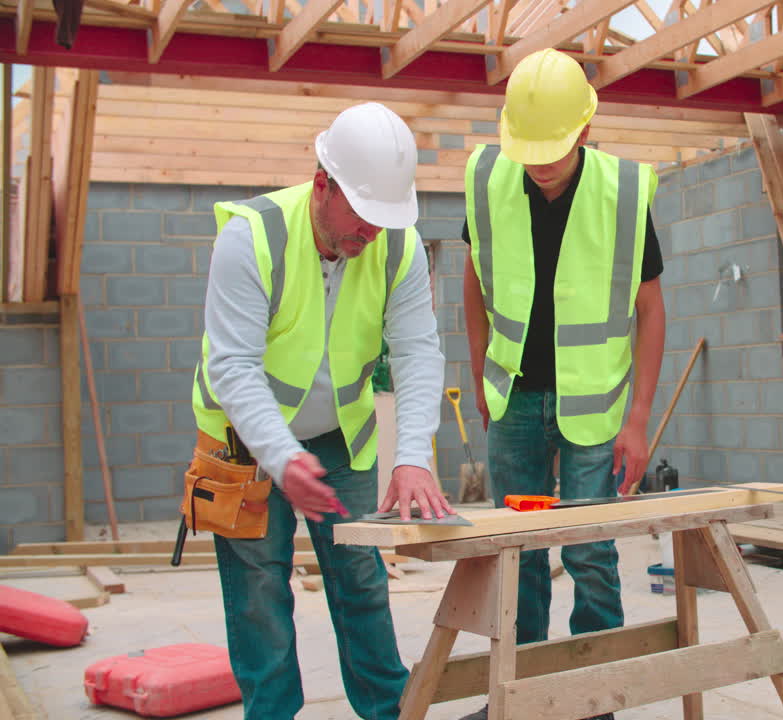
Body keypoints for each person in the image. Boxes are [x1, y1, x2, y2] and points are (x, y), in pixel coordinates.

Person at [192, 101, 454, 719]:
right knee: (259, 597)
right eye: (363, 216)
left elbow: (419, 352)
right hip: (244, 445)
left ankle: (388, 712)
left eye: (385, 219)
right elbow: (232, 366)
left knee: (362, 583)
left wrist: (412, 457)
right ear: (321, 185)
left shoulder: (397, 248)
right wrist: (282, 459)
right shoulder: (251, 237)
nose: (372, 232)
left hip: (340, 442)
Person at [457, 48, 666, 720]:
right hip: (514, 400)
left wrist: (637, 420)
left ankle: (592, 701)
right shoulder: (488, 177)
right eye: (529, 148)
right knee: (514, 556)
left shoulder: (625, 192)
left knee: (590, 553)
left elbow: (650, 308)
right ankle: (520, 698)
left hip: (594, 404)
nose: (539, 163)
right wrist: (483, 371)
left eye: (552, 147)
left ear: (583, 129)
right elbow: (474, 279)